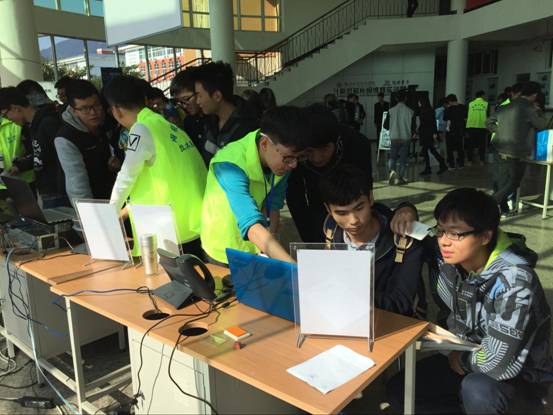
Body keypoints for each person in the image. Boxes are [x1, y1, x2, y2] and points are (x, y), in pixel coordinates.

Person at [387, 188, 553, 414]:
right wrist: (406, 209)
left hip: (518, 378)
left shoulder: (515, 282)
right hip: (465, 354)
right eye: (441, 230)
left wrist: (462, 360)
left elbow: (499, 362)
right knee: (400, 391)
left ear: (485, 236)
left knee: (477, 390)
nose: (444, 241)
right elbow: (413, 229)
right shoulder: (446, 254)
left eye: (455, 234)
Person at [104, 75, 207, 256]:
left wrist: (109, 214)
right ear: (144, 100)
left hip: (168, 230)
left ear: (116, 110)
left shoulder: (140, 129)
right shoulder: (167, 125)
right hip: (192, 222)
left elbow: (126, 175)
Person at [200, 106, 308, 265]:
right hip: (224, 248)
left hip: (256, 243)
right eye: (288, 158)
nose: (293, 165)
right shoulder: (230, 165)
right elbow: (250, 222)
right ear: (264, 144)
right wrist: (293, 267)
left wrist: (270, 243)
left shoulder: (282, 162)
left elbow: (274, 204)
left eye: (299, 157)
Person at [318, 164, 424, 317]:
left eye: (359, 208)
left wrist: (349, 295)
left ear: (371, 198)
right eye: (342, 213)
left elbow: (401, 303)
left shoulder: (404, 240)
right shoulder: (331, 230)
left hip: (393, 324)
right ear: (328, 210)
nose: (353, 220)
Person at [286, 104, 372, 243]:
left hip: (351, 204)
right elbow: (296, 200)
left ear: (336, 140)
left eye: (324, 149)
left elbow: (365, 193)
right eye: (309, 152)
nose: (317, 158)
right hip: (316, 203)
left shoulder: (357, 144)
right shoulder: (295, 152)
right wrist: (311, 242)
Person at [486, 82, 548, 216]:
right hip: (516, 151)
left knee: (501, 182)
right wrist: (539, 111)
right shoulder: (529, 109)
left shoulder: (505, 106)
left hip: (499, 148)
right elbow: (542, 125)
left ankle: (503, 210)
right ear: (534, 95)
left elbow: (488, 122)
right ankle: (488, 203)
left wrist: (500, 131)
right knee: (513, 182)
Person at [0, 86, 66, 206]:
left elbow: (63, 158)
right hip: (47, 189)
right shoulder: (33, 125)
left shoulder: (47, 123)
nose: (7, 119)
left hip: (58, 191)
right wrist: (20, 166)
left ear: (15, 108)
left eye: (5, 115)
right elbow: (40, 154)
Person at [54, 79, 119, 202]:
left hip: (113, 197)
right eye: (84, 109)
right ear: (74, 111)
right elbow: (77, 184)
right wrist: (89, 212)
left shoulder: (108, 121)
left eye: (96, 105)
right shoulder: (66, 138)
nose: (93, 112)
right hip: (89, 203)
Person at [194, 61, 258, 163]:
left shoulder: (248, 127)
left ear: (217, 96)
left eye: (199, 96)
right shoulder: (209, 122)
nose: (197, 101)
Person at [170, 67, 205, 152]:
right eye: (180, 102)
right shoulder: (188, 121)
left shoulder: (215, 118)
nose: (184, 106)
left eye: (186, 99)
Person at [385, 90, 415, 185]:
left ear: (396, 98)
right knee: (403, 160)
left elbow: (385, 125)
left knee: (392, 158)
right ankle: (401, 178)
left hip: (394, 137)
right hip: (405, 138)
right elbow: (413, 127)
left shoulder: (391, 111)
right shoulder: (410, 111)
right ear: (405, 99)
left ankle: (391, 175)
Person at [0, 113, 34, 191]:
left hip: (24, 181)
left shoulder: (16, 121)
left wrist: (20, 165)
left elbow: (33, 149)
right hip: (1, 186)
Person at [417, 97, 448, 175]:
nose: (418, 103)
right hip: (429, 133)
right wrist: (434, 133)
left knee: (427, 151)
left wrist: (418, 131)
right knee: (431, 150)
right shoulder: (430, 111)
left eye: (419, 102)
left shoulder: (423, 111)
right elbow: (433, 123)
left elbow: (424, 124)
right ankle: (440, 164)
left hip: (425, 134)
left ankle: (431, 168)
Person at [443, 93, 467, 169]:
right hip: (460, 131)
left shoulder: (448, 109)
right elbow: (466, 118)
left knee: (450, 149)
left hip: (451, 131)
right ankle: (461, 164)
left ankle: (452, 165)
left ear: (450, 101)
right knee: (460, 148)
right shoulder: (463, 107)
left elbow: (445, 119)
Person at [465, 90, 489, 165]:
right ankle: (482, 161)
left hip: (471, 126)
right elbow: (488, 116)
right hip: (482, 127)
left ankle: (469, 161)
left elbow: (467, 115)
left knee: (470, 145)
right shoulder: (486, 104)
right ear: (483, 95)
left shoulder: (470, 104)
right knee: (482, 145)